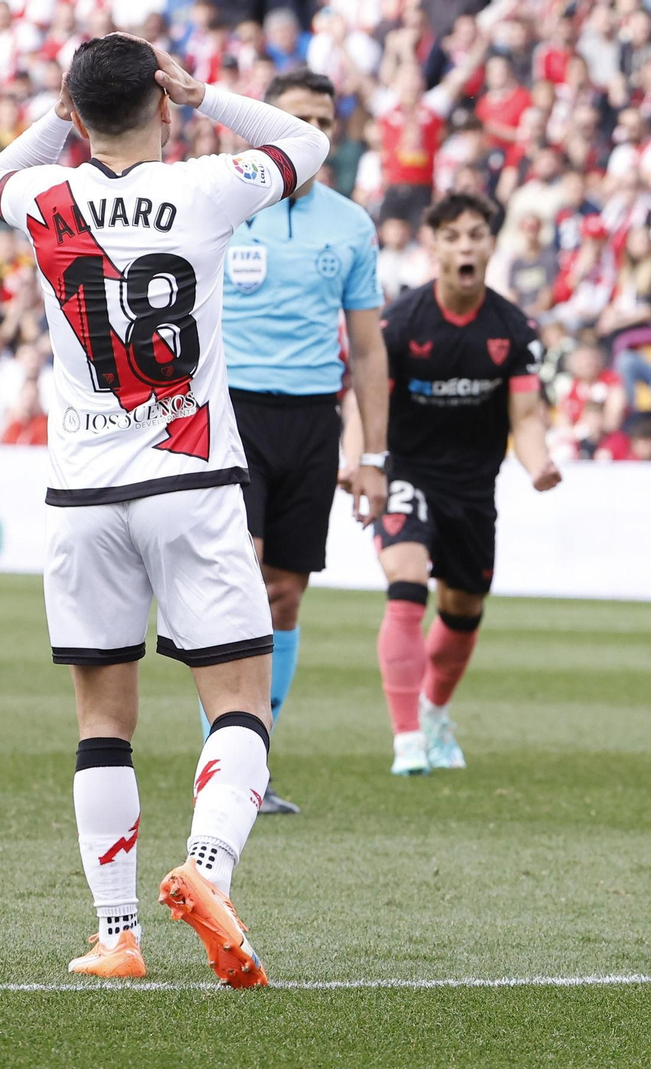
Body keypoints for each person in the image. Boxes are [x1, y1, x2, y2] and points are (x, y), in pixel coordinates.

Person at [0, 34, 329, 985]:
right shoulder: (207, 186)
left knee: (103, 717)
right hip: (190, 480)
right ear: (165, 105)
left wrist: (62, 112)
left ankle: (117, 934)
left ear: (74, 109)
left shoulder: (44, 197)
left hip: (83, 492)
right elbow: (307, 145)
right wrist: (206, 90)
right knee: (238, 702)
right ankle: (208, 866)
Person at [204, 68, 390, 815]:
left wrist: (372, 455)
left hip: (314, 418)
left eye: (323, 120)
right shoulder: (217, 206)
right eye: (295, 119)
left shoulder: (351, 224)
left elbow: (370, 351)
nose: (312, 132)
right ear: (261, 127)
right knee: (240, 582)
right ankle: (224, 757)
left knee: (284, 592)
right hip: (232, 411)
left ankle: (255, 762)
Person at [365, 192, 561, 776]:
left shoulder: (513, 327)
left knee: (463, 608)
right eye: (453, 236)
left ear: (490, 244)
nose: (466, 245)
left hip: (473, 489)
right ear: (434, 247)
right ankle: (406, 741)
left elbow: (525, 418)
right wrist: (365, 463)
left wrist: (538, 463)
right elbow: (368, 402)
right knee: (406, 583)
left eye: (476, 234)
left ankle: (431, 712)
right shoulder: (401, 322)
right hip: (408, 473)